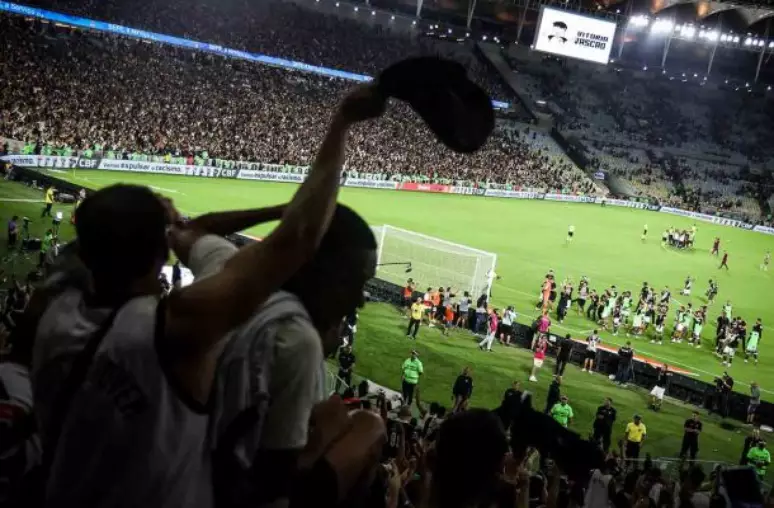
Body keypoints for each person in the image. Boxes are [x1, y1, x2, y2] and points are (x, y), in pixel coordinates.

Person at [26, 84, 382, 507]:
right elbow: (297, 240)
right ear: (159, 253)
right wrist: (341, 123)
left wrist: (272, 214)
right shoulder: (169, 329)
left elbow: (195, 234)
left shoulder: (55, 308)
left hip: (63, 490)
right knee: (359, 425)